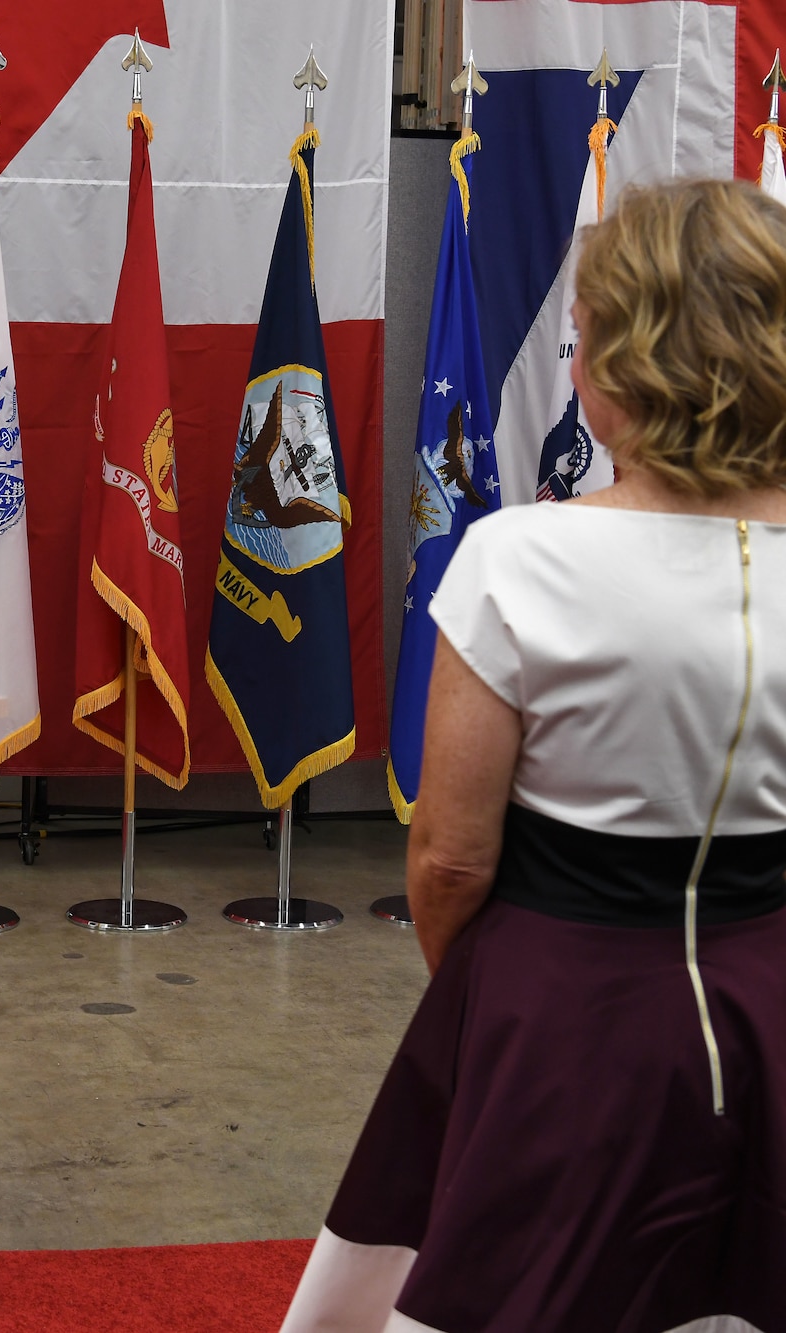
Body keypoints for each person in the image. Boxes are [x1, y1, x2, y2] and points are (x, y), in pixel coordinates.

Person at [281, 178, 786, 1331]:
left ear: (618, 365)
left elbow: (449, 861)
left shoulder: (519, 559)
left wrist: (510, 996)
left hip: (567, 1007)